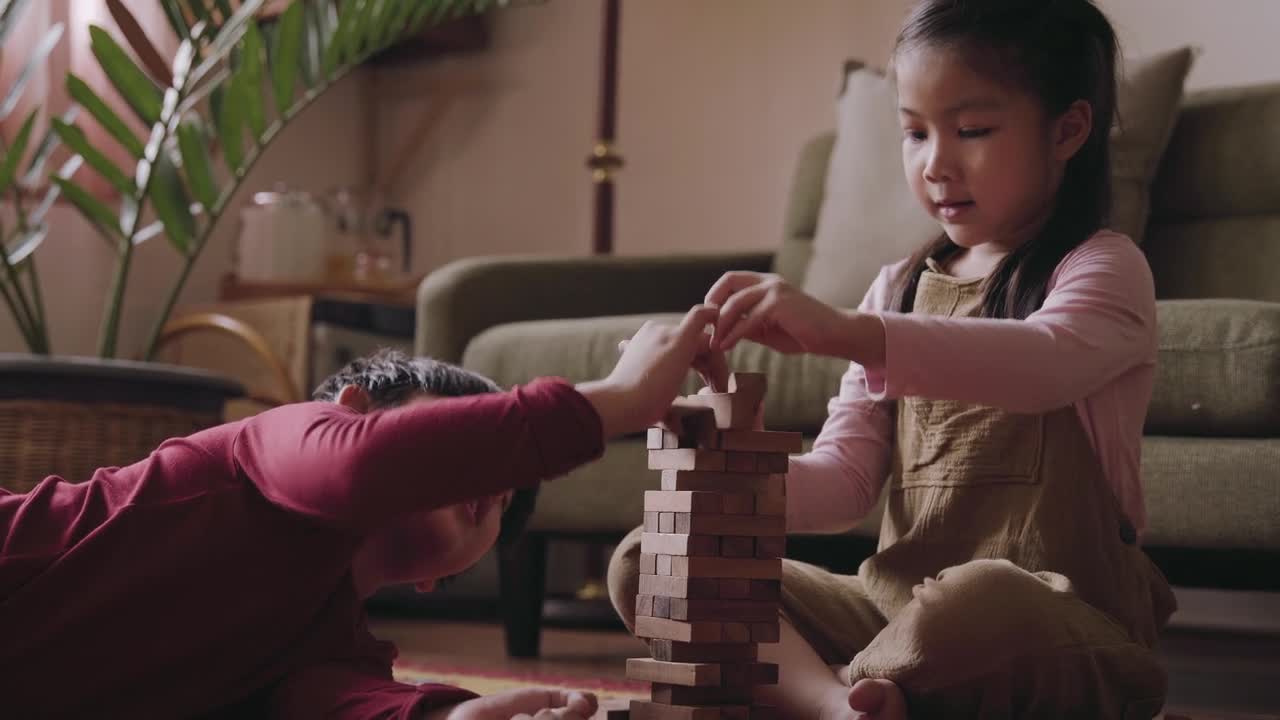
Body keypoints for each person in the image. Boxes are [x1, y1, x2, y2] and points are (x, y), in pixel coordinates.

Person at [607, 1, 1177, 718]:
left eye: (972, 130)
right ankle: (840, 705)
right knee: (655, 555)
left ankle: (835, 685)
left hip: (1055, 626)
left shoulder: (1105, 267)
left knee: (977, 601)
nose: (935, 163)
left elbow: (1043, 363)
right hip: (893, 615)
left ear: (1067, 129)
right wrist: (713, 448)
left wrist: (848, 331)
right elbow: (843, 481)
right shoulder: (899, 287)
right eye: (914, 132)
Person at [0, 305, 721, 719]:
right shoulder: (264, 449)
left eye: (507, 501)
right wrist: (622, 398)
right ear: (349, 411)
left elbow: (338, 705)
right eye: (482, 454)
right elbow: (361, 466)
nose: (498, 489)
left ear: (441, 580)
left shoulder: (327, 646)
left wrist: (446, 716)